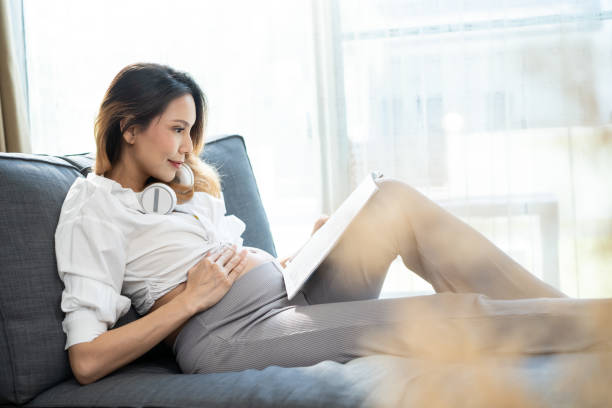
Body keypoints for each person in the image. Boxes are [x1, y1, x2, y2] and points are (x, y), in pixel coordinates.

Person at [55, 62, 612, 385]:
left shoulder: (182, 189)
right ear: (128, 128)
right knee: (441, 316)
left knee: (391, 202)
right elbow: (85, 361)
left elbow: (237, 263)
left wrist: (300, 256)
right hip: (226, 333)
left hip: (289, 294)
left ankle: (566, 315)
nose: (186, 148)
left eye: (191, 132)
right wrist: (187, 301)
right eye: (177, 129)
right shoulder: (93, 206)